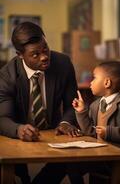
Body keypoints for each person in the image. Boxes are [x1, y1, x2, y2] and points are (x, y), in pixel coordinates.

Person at [0, 21, 81, 184]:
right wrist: (18, 130)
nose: (44, 57)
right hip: (19, 133)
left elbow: (73, 103)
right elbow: (3, 118)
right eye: (35, 54)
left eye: (45, 49)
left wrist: (65, 122)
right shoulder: (7, 75)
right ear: (20, 54)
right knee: (15, 172)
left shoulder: (63, 63)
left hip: (54, 131)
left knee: (68, 160)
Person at [70, 60, 120, 183]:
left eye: (93, 78)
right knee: (72, 165)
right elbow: (90, 131)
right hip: (99, 155)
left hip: (118, 160)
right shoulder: (95, 105)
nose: (90, 82)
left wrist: (109, 132)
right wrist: (82, 111)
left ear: (107, 82)